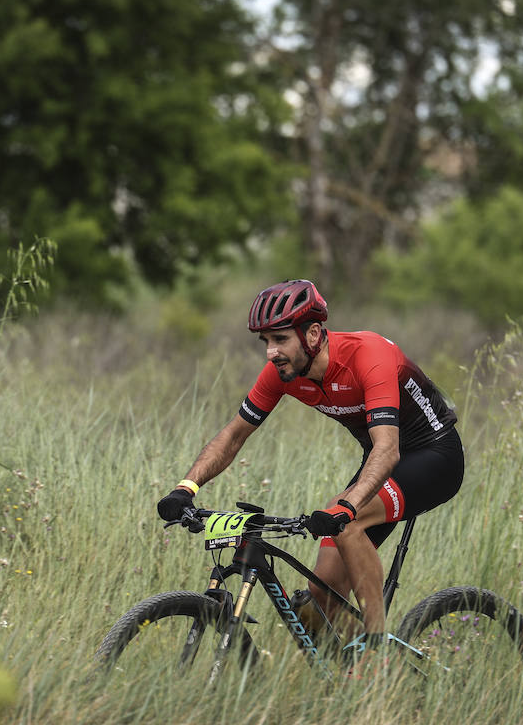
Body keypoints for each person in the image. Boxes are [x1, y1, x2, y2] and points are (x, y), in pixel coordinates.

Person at [156, 279, 464, 657]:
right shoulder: (283, 373)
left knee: (348, 520)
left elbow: (387, 449)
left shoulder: (369, 356)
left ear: (314, 333)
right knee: (319, 603)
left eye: (280, 339)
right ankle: (355, 670)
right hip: (381, 465)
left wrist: (346, 506)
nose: (271, 352)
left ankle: (376, 657)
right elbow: (234, 436)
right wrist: (186, 488)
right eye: (265, 342)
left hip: (434, 457)